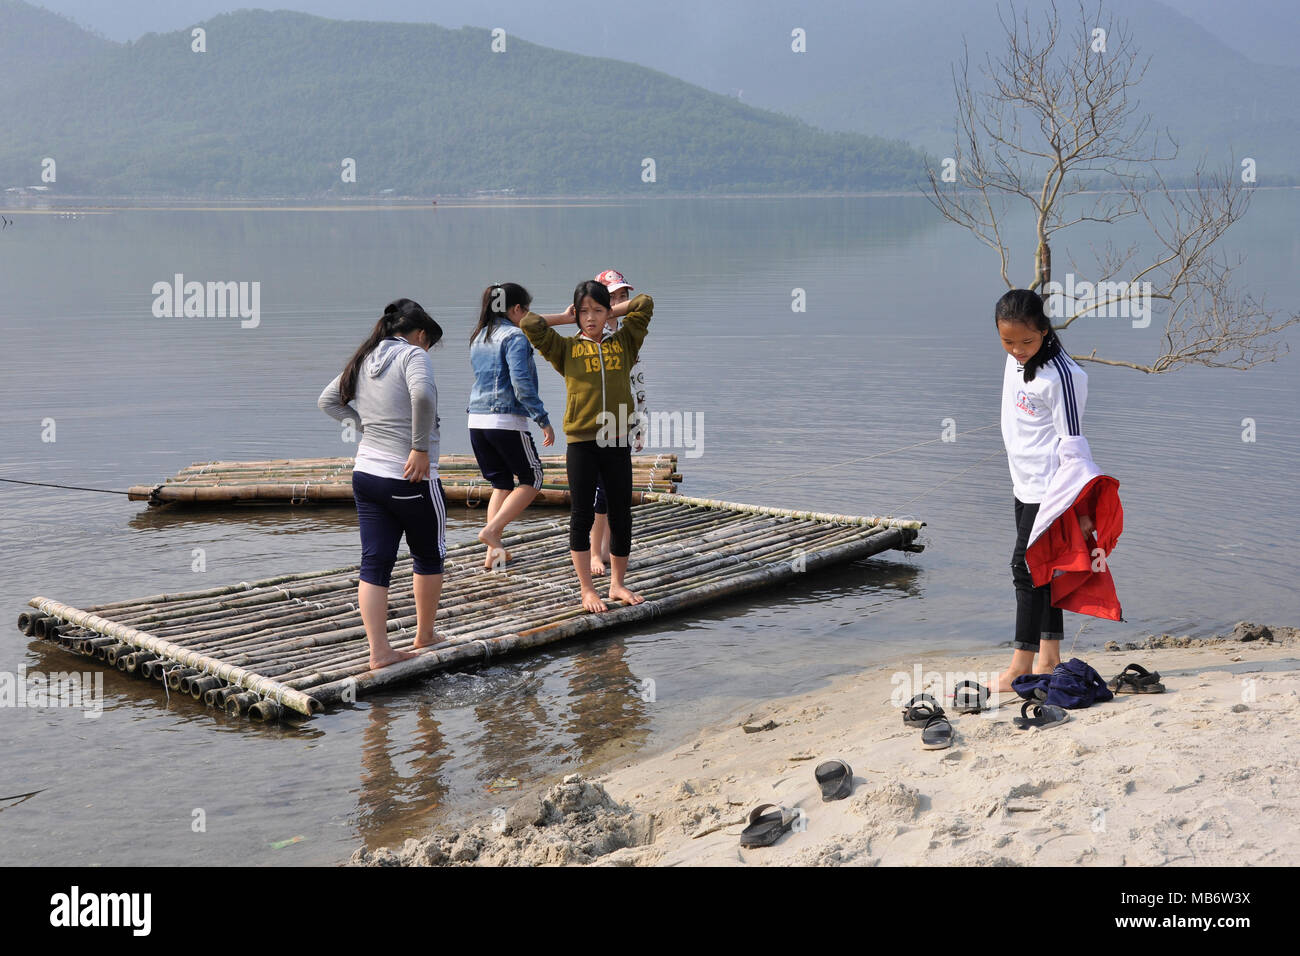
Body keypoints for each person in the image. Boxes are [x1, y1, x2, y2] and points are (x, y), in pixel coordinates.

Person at [318, 299, 445, 670]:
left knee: (374, 562)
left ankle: (380, 651)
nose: (427, 350)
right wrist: (419, 447)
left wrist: (367, 427)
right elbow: (423, 395)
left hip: (366, 474)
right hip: (410, 475)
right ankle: (425, 635)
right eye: (429, 342)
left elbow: (328, 401)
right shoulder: (412, 356)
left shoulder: (365, 357)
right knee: (429, 555)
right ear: (420, 334)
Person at [521, 281, 653, 613]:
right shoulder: (565, 349)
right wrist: (565, 319)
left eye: (597, 311)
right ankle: (586, 590)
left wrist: (609, 310)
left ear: (607, 312)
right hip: (581, 443)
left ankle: (617, 584)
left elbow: (645, 303)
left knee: (621, 515)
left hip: (617, 440)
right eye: (584, 312)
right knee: (581, 515)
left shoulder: (624, 342)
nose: (591, 318)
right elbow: (529, 323)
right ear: (576, 315)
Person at [993, 288, 1093, 692]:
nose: (1017, 350)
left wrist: (1081, 508)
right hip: (1023, 481)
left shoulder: (1063, 377)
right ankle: (1049, 659)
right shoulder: (1016, 359)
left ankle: (1020, 667)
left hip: (1050, 489)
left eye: (1027, 341)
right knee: (1044, 569)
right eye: (1008, 341)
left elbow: (1074, 446)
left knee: (1024, 568)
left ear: (1045, 331)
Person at [468, 282, 557, 568]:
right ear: (517, 309)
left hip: (476, 420)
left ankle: (493, 553)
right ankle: (491, 531)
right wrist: (542, 419)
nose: (529, 316)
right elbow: (522, 384)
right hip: (505, 420)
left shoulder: (480, 335)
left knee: (501, 483)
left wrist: (565, 317)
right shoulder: (515, 337)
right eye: (527, 310)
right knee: (533, 478)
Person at [587, 269, 650, 576]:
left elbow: (637, 382)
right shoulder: (590, 333)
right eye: (612, 297)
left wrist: (640, 426)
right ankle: (593, 554)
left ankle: (607, 550)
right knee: (599, 494)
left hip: (623, 421)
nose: (620, 301)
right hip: (597, 422)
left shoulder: (627, 333)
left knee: (615, 492)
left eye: (623, 295)